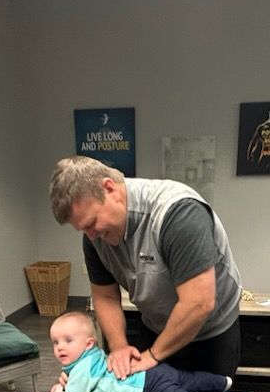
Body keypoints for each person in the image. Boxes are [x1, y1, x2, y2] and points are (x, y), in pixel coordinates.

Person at [48, 155, 243, 379]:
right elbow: (105, 295)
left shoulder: (179, 215)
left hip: (209, 334)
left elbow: (198, 303)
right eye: (83, 229)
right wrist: (119, 346)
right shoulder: (94, 237)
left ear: (109, 188)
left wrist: (154, 355)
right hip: (156, 326)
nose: (91, 235)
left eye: (92, 223)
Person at [48, 310, 244, 392]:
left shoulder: (83, 368)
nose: (60, 347)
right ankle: (221, 382)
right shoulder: (94, 356)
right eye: (55, 343)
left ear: (89, 343)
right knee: (186, 379)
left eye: (68, 341)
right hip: (150, 371)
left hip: (145, 387)